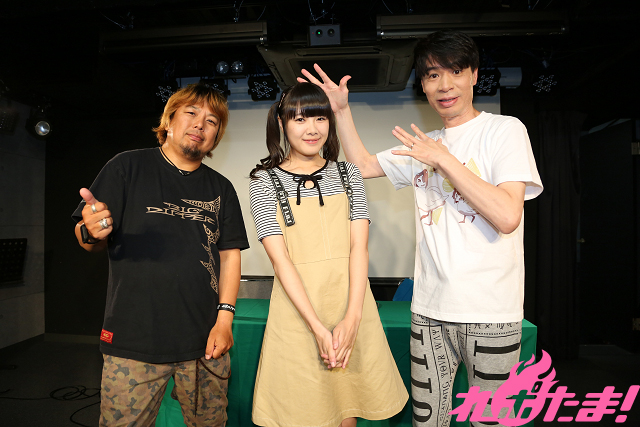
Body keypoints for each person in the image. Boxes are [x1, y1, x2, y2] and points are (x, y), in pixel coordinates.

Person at [300, 30, 543, 427]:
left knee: (491, 421)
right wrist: (340, 111)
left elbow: (507, 215)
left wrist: (444, 160)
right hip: (429, 312)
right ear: (424, 86)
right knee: (427, 421)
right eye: (432, 75)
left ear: (474, 75)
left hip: (491, 312)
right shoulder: (424, 144)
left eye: (455, 71)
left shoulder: (504, 130)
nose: (444, 85)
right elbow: (362, 166)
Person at [72, 83, 250, 426]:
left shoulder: (222, 189)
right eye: (191, 113)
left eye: (212, 121)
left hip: (205, 344)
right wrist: (90, 230)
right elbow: (87, 237)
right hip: (133, 342)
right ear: (168, 121)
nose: (200, 124)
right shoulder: (126, 167)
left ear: (216, 136)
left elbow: (230, 256)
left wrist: (225, 320)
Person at [248, 82, 408, 427]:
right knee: (302, 412)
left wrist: (352, 318)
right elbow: (280, 260)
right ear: (282, 123)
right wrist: (318, 328)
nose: (312, 129)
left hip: (351, 304)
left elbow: (358, 247)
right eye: (300, 119)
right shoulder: (263, 181)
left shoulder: (349, 174)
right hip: (298, 312)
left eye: (320, 118)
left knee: (346, 408)